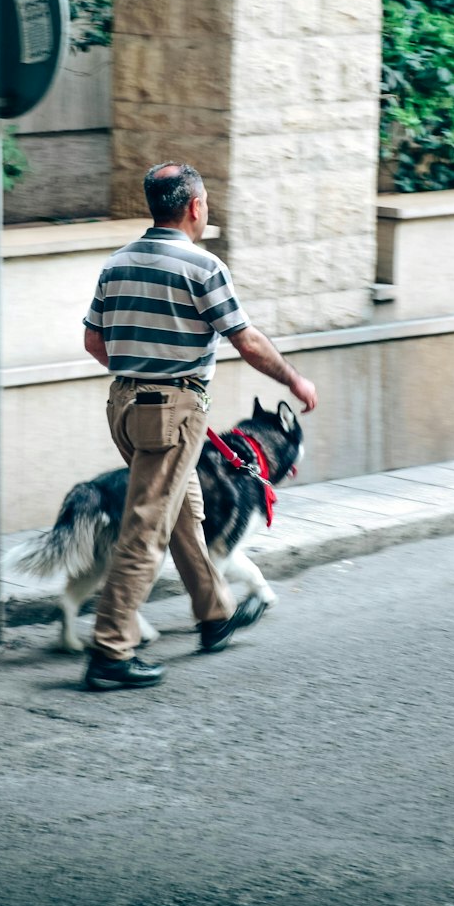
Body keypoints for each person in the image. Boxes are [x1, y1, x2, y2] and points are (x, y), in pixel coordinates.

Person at [81, 161, 317, 691]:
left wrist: (139, 371)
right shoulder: (203, 267)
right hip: (171, 411)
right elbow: (246, 340)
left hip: (124, 406)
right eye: (206, 201)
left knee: (184, 511)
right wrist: (293, 380)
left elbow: (95, 344)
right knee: (146, 529)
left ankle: (214, 615)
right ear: (194, 207)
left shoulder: (116, 264)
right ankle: (109, 651)